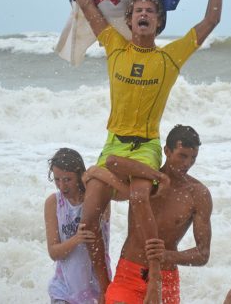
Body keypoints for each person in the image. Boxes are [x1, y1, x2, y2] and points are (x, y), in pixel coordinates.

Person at [60, 0, 222, 300]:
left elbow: (212, 20)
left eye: (151, 11)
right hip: (114, 142)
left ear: (159, 21)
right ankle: (105, 285)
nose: (144, 14)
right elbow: (87, 3)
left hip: (146, 145)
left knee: (138, 197)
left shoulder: (170, 58)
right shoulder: (114, 45)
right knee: (87, 221)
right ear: (130, 20)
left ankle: (154, 282)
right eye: (138, 11)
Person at [83, 125, 212, 304]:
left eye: (193, 158)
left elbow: (202, 254)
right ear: (167, 150)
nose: (187, 164)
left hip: (166, 279)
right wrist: (159, 177)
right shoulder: (144, 179)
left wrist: (166, 255)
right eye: (182, 156)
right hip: (129, 273)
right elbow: (113, 161)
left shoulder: (198, 194)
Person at [44, 148, 111, 304]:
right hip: (64, 290)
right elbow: (54, 252)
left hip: (98, 286)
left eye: (68, 179)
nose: (62, 186)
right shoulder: (54, 203)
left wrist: (91, 174)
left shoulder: (97, 199)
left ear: (80, 175)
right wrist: (77, 239)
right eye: (57, 179)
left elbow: (108, 178)